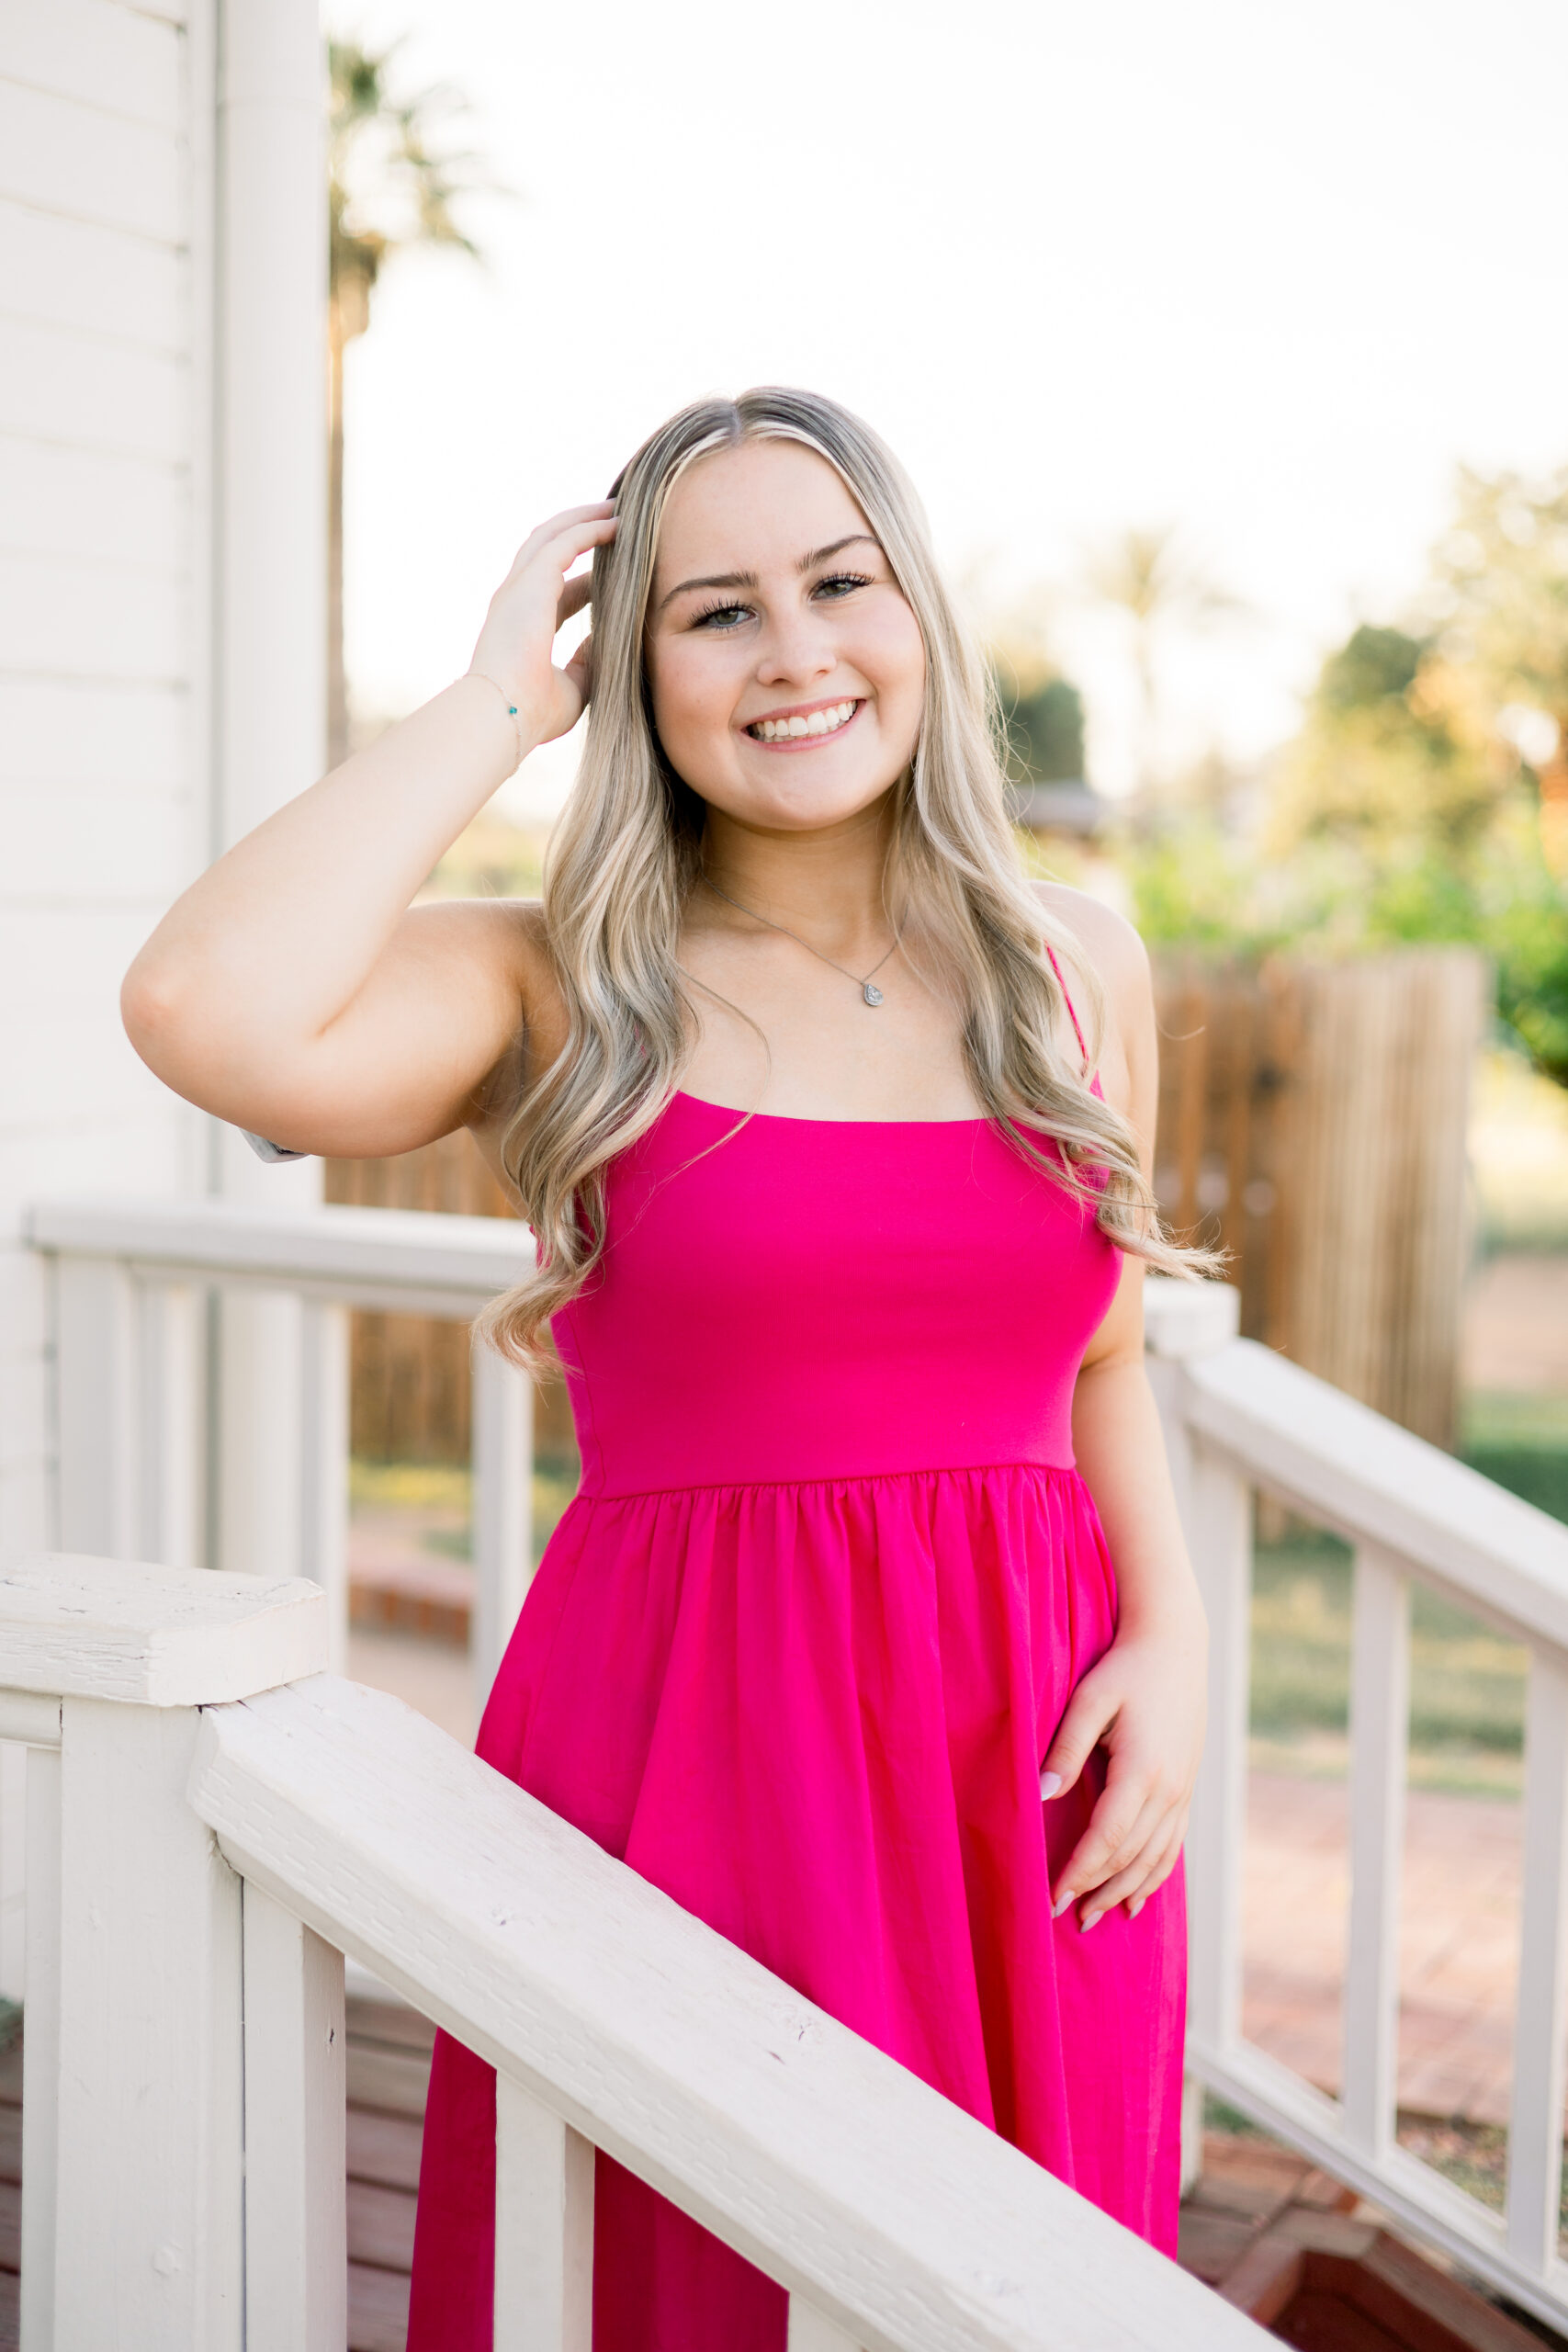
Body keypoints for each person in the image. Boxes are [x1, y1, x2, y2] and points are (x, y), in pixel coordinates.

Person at [122, 387, 1212, 2350]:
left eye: (837, 583)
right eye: (713, 611)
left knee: (1032, 2277)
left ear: (917, 614)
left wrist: (1175, 1638)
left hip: (1027, 1766)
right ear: (630, 668)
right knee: (682, 2270)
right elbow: (204, 1007)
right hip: (698, 1756)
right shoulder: (557, 981)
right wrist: (487, 709)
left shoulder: (1073, 958)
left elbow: (1104, 1347)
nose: (792, 653)